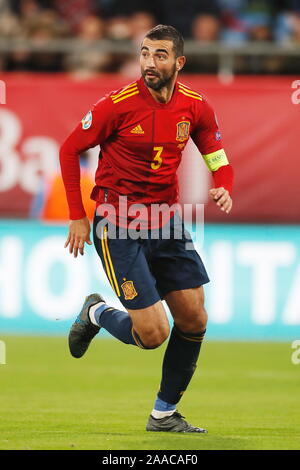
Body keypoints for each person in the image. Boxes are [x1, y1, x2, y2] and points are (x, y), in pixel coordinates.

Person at [59, 24, 234, 433]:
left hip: (166, 222)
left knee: (193, 318)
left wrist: (224, 184)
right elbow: (69, 149)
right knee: (153, 333)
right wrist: (77, 215)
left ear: (179, 62)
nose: (149, 63)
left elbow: (217, 154)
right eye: (144, 53)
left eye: (159, 55)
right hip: (117, 223)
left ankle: (164, 414)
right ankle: (97, 312)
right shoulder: (116, 105)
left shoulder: (195, 106)